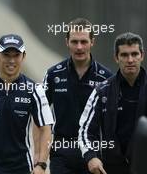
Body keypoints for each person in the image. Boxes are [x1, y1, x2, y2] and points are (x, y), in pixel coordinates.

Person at [34, 18, 112, 174]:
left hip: (93, 154)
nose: (79, 47)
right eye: (74, 42)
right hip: (61, 154)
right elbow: (39, 117)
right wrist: (39, 159)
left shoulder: (106, 78)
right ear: (67, 42)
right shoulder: (53, 75)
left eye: (84, 42)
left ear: (92, 42)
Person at [0, 34, 54, 174]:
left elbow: (46, 128)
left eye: (16, 55)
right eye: (6, 55)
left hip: (22, 166)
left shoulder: (34, 89)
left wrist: (41, 164)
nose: (11, 60)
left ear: (23, 56)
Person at [78, 32, 147, 174]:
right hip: (112, 168)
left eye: (134, 54)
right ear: (116, 57)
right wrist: (91, 157)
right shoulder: (101, 91)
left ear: (142, 55)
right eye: (124, 55)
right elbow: (85, 131)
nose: (130, 60)